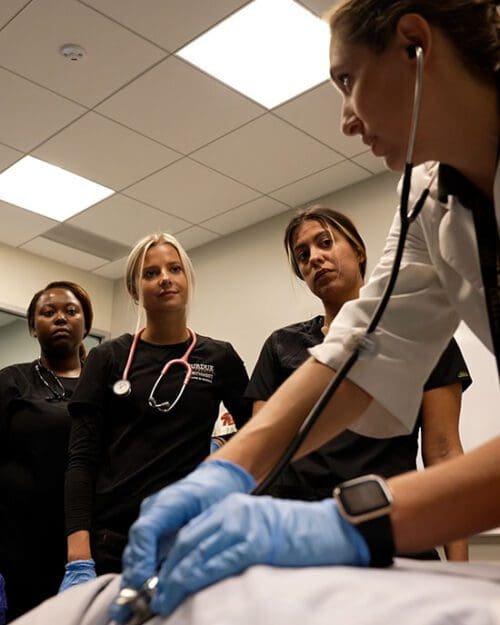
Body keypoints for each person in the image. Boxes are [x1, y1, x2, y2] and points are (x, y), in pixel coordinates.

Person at [110, 0, 499, 619]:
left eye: (348, 82)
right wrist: (223, 474)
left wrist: (347, 523)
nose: (346, 119)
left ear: (413, 44)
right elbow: (362, 349)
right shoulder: (427, 197)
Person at [246, 204, 470, 560]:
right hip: (304, 533)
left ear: (359, 250)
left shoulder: (414, 333)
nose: (315, 258)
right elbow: (264, 447)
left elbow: (443, 451)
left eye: (325, 243)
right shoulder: (281, 345)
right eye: (303, 256)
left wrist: (459, 566)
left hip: (394, 525)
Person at [60, 233, 252, 591]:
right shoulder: (108, 358)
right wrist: (79, 556)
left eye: (174, 269)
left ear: (187, 280)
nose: (165, 278)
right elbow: (81, 460)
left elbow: (259, 436)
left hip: (188, 537)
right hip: (112, 539)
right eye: (151, 273)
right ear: (135, 290)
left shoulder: (218, 358)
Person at [0, 281, 93, 621]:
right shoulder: (12, 381)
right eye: (48, 312)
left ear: (86, 324)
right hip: (18, 548)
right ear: (32, 327)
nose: (60, 319)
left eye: (71, 311)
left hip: (83, 545)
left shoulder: (104, 388)